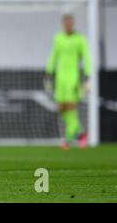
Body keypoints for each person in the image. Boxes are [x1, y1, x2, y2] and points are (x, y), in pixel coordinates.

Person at [45, 14, 91, 149]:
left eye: (71, 23)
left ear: (73, 24)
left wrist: (88, 76)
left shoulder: (80, 39)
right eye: (66, 23)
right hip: (61, 80)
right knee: (63, 109)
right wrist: (49, 72)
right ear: (63, 24)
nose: (69, 25)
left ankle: (68, 140)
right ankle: (82, 134)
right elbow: (54, 55)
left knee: (72, 109)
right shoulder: (58, 38)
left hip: (73, 79)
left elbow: (86, 57)